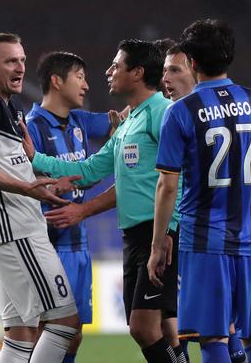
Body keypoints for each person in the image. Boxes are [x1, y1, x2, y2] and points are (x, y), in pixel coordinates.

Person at [24, 39, 184, 363]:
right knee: (157, 328)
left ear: (137, 72)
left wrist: (169, 230)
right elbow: (88, 170)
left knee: (146, 327)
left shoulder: (162, 113)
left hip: (160, 234)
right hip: (136, 237)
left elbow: (179, 176)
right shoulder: (129, 123)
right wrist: (35, 157)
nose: (108, 71)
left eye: (116, 65)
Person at [148, 19, 251, 363]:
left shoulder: (181, 112)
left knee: (213, 339)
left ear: (192, 62)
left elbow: (167, 185)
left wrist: (158, 242)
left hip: (204, 241)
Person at [0, 32, 80, 363]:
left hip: (14, 230)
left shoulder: (7, 106)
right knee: (65, 321)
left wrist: (42, 182)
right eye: (11, 61)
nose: (20, 67)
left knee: (21, 333)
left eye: (23, 60)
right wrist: (27, 188)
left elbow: (6, 165)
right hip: (15, 232)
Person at [25, 51, 111, 363]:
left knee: (73, 334)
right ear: (56, 81)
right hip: (48, 243)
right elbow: (30, 180)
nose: (86, 85)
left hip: (78, 242)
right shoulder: (32, 127)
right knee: (44, 330)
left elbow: (126, 119)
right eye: (80, 77)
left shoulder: (80, 122)